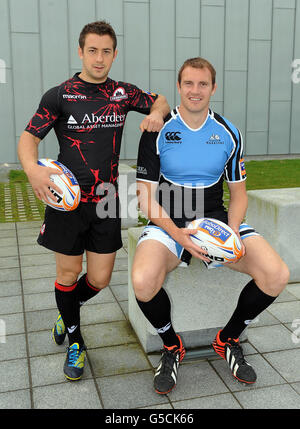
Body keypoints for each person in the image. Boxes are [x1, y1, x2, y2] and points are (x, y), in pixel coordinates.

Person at [17, 20, 170, 381]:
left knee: (99, 279)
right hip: (66, 200)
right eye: (92, 50)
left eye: (106, 51)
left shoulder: (122, 92)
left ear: (114, 54)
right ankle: (75, 339)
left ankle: (65, 311)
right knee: (68, 274)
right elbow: (28, 138)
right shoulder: (60, 95)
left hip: (107, 199)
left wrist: (155, 113)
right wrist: (33, 171)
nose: (99, 58)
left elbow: (161, 100)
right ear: (80, 51)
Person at [131, 57, 290, 395]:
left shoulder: (229, 132)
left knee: (276, 275)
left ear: (213, 88)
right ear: (179, 86)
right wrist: (180, 237)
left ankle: (228, 338)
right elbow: (145, 199)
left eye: (203, 84)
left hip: (215, 220)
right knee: (143, 281)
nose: (195, 90)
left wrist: (229, 233)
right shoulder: (156, 131)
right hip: (169, 223)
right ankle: (172, 346)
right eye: (188, 83)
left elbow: (239, 194)